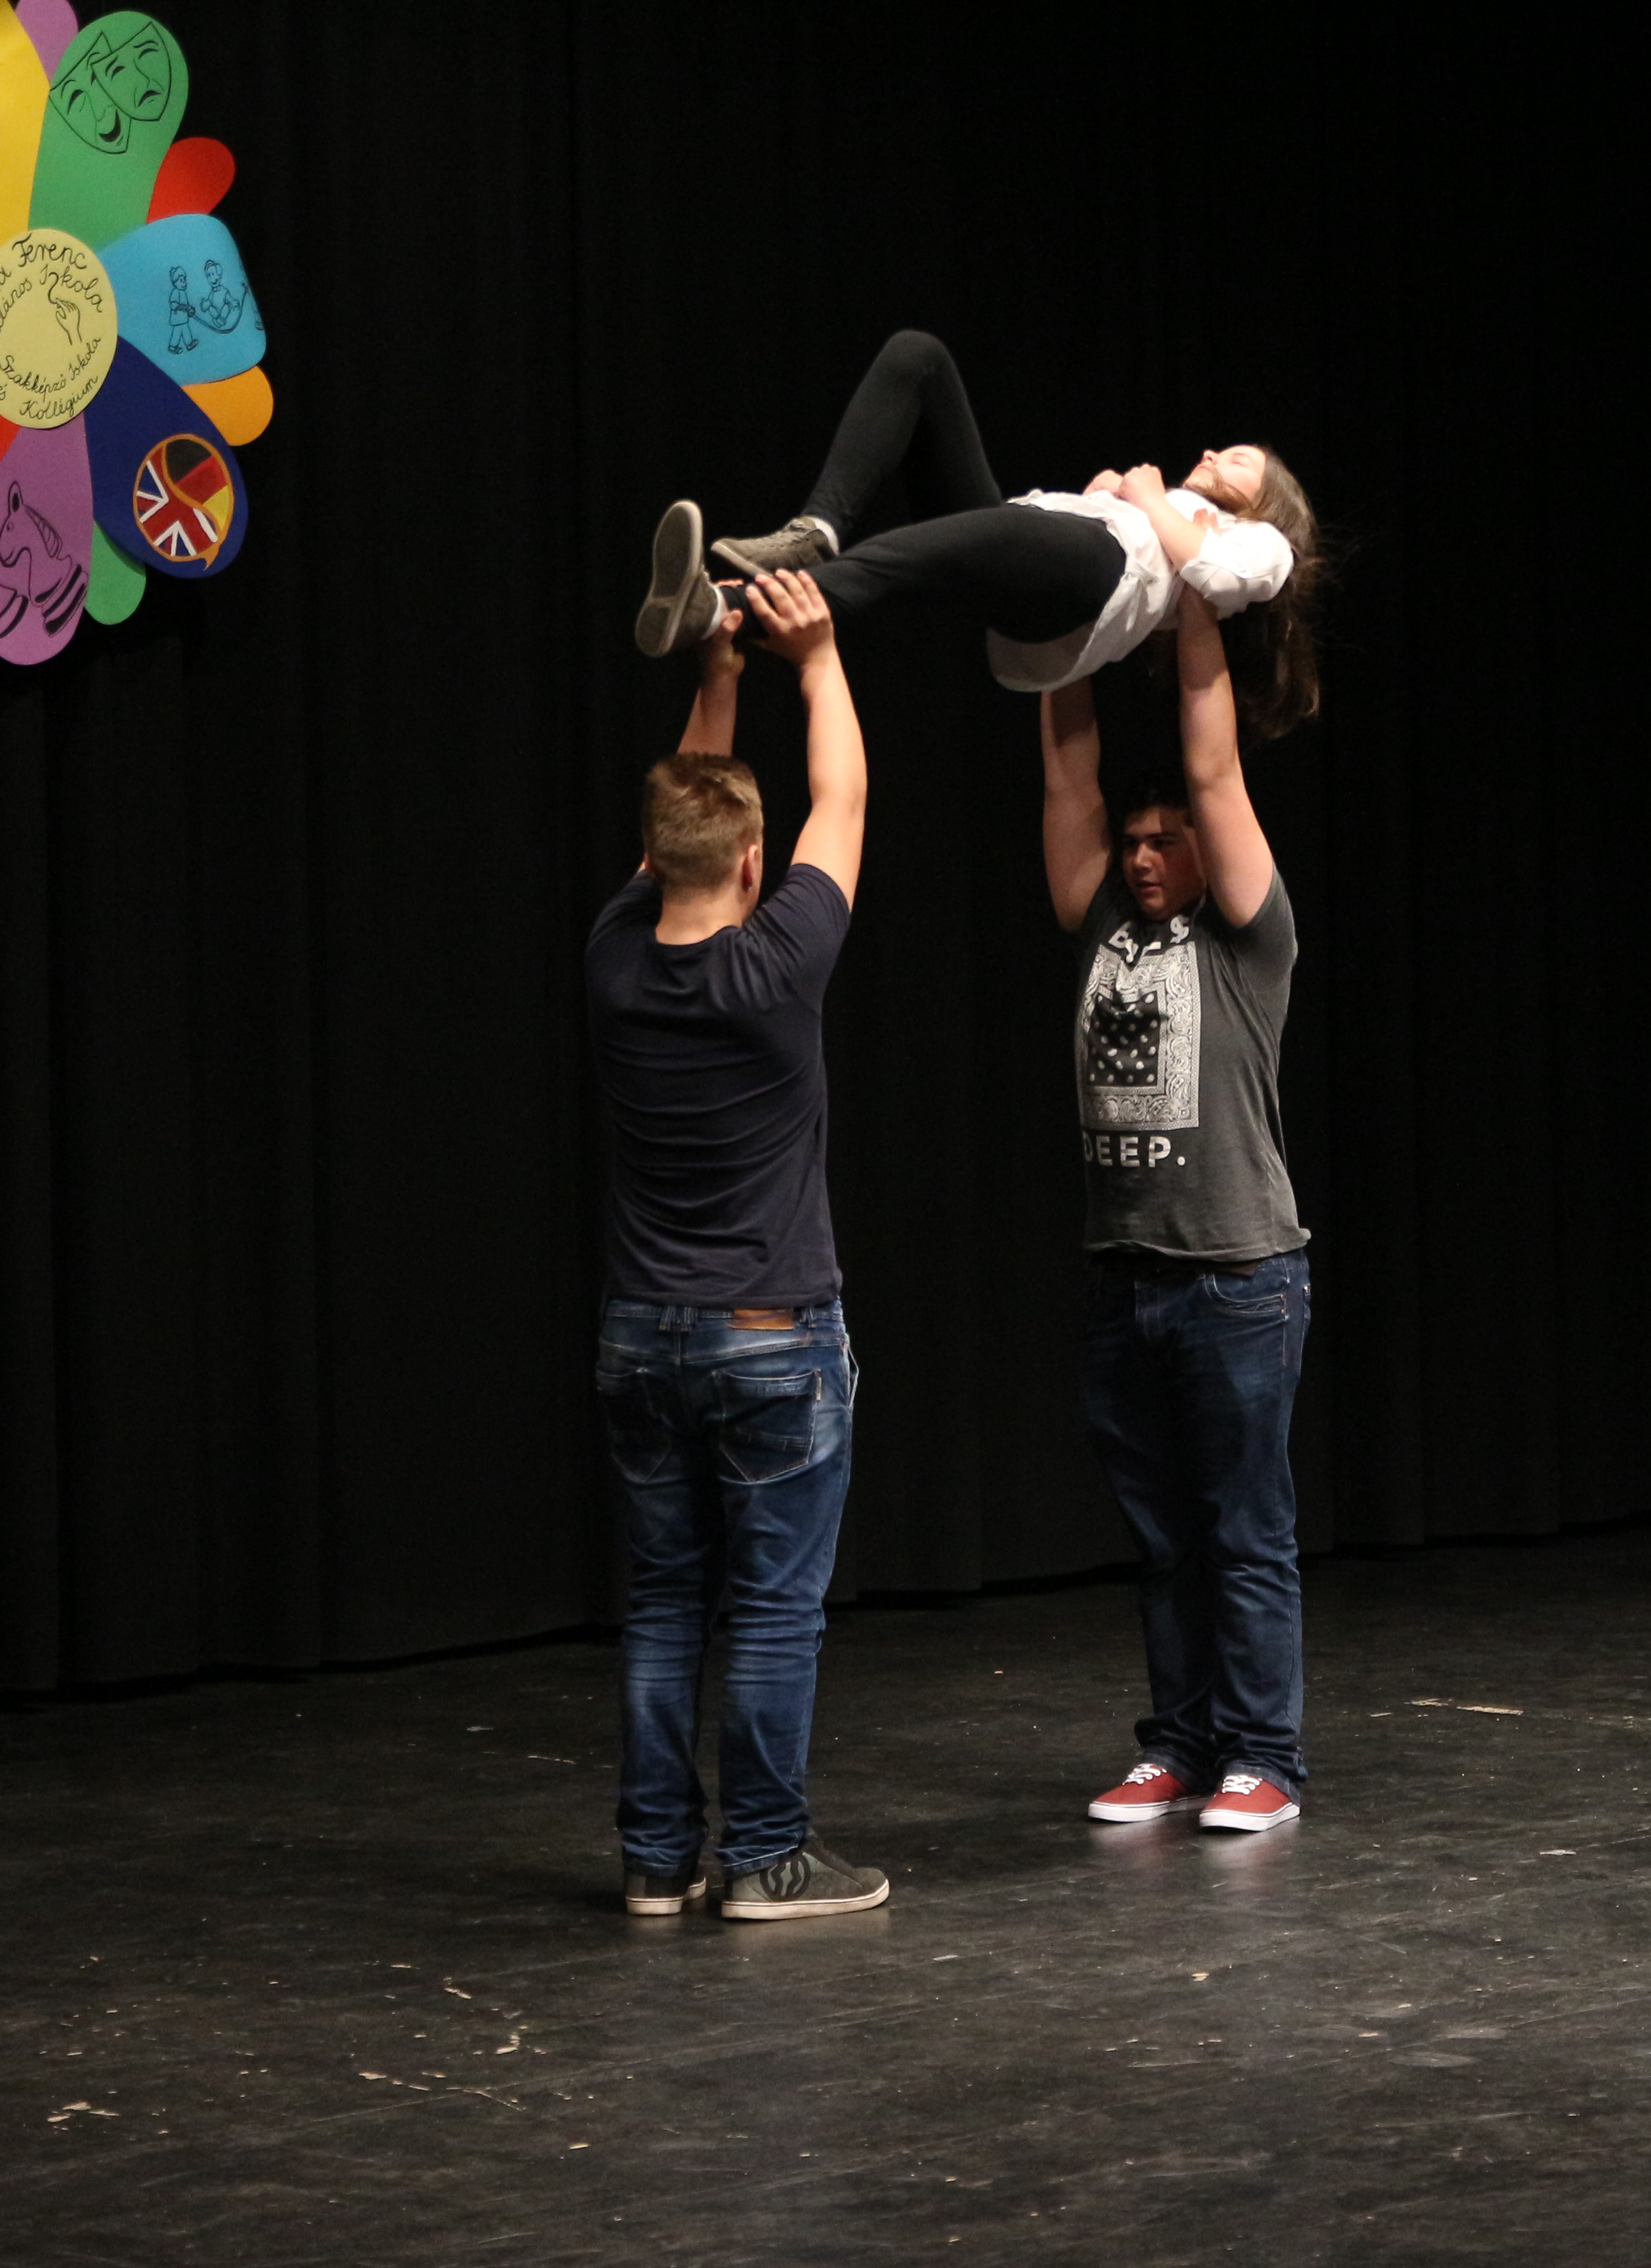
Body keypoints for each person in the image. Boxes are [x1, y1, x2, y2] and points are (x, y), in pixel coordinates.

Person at [583, 569, 890, 1923]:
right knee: (769, 1610)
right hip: (770, 1339)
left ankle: (657, 1860)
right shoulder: (779, 967)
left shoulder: (612, 957)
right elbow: (844, 802)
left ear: (649, 862)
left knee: (664, 1602)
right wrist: (814, 659)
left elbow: (690, 819)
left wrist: (717, 672)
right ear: (754, 867)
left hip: (638, 1340)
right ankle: (763, 1857)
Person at [1045, 589, 1314, 1834]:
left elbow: (1214, 762)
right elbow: (1068, 771)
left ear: (1205, 850)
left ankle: (1264, 1759)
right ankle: (1181, 1743)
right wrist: (1057, 629)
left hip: (1237, 1277)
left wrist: (1196, 607)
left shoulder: (1249, 938)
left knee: (1242, 1534)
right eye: (1135, 841)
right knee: (1161, 1540)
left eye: (1166, 840)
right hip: (1125, 1275)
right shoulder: (1099, 918)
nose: (1144, 856)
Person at [634, 329, 1326, 747]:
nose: (1212, 455)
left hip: (1092, 574)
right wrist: (1104, 497)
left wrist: (1144, 500)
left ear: (1270, 502)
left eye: (1238, 461)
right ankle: (814, 532)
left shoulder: (1265, 543)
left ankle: (722, 607)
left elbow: (1217, 576)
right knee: (919, 359)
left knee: (896, 564)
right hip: (1053, 549)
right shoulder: (1180, 512)